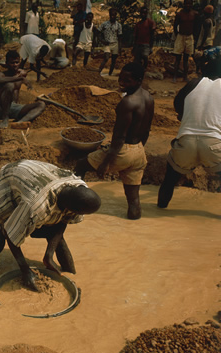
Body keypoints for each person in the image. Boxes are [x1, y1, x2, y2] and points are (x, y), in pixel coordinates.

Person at [0, 160, 101, 292]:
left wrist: (49, 255)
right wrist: (25, 270)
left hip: (37, 178)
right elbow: (10, 234)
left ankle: (70, 275)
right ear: (74, 209)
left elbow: (63, 221)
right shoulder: (35, 205)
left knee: (58, 240)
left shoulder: (79, 187)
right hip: (9, 180)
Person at [75, 63, 154, 220]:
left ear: (138, 80)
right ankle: (133, 227)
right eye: (121, 78)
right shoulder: (148, 98)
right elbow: (147, 130)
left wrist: (105, 164)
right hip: (139, 150)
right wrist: (138, 151)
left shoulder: (127, 102)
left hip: (121, 151)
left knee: (80, 166)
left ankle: (75, 209)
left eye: (127, 80)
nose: (121, 83)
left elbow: (118, 138)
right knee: (134, 200)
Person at [157, 47, 221, 208]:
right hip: (214, 145)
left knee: (169, 180)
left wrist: (184, 116)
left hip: (186, 141)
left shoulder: (193, 83)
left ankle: (161, 208)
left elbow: (177, 103)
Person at [0, 50, 46, 129]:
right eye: (12, 63)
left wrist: (23, 78)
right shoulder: (1, 74)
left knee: (41, 104)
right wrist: (20, 77)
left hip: (13, 107)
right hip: (0, 108)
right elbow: (0, 80)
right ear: (6, 63)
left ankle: (19, 122)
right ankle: (5, 118)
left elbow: (23, 77)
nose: (15, 65)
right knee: (9, 85)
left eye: (17, 62)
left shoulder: (21, 73)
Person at [172, 0, 198, 82]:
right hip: (181, 36)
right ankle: (174, 77)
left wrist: (194, 36)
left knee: (186, 58)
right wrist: (178, 35)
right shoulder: (180, 14)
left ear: (191, 4)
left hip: (189, 36)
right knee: (178, 58)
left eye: (189, 3)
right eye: (186, 3)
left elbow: (196, 27)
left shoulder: (194, 14)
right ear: (184, 4)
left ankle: (185, 77)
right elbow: (175, 25)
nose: (188, 5)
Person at [96, 8, 122, 76]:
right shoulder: (104, 24)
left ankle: (110, 74)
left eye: (113, 15)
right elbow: (97, 32)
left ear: (116, 15)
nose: (112, 16)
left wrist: (120, 47)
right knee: (106, 58)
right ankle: (98, 72)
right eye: (111, 15)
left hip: (115, 43)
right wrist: (102, 40)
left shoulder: (118, 25)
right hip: (107, 43)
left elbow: (119, 37)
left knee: (113, 60)